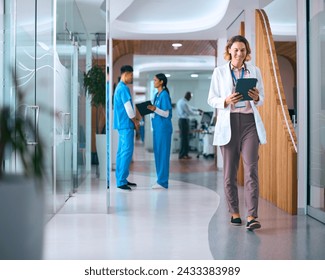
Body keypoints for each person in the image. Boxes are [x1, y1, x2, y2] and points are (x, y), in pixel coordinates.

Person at [207, 35, 267, 230]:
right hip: (229, 122)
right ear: (229, 51)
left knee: (251, 170)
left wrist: (257, 97)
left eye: (242, 50)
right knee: (229, 173)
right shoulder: (220, 72)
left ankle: (252, 216)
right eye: (236, 50)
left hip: (249, 123)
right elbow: (211, 99)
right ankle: (234, 212)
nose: (239, 53)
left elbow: (262, 98)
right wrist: (225, 100)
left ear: (246, 52)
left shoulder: (254, 71)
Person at [113, 65, 140, 191]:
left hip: (122, 125)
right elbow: (129, 108)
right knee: (126, 152)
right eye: (131, 75)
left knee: (121, 152)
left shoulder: (119, 87)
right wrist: (135, 122)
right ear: (126, 74)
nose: (131, 78)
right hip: (126, 125)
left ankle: (121, 178)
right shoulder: (123, 88)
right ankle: (121, 181)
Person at [147, 73, 173, 189]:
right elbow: (156, 112)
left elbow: (166, 113)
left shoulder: (164, 95)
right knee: (157, 154)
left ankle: (163, 182)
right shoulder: (156, 95)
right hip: (157, 129)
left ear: (161, 82)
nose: (154, 82)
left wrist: (155, 109)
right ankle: (160, 180)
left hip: (164, 129)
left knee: (163, 154)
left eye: (155, 80)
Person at [176, 91, 202, 159]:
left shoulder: (181, 101)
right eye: (190, 97)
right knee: (185, 138)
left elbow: (189, 107)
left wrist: (197, 109)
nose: (190, 98)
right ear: (188, 96)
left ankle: (183, 154)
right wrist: (198, 113)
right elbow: (189, 112)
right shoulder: (183, 103)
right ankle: (183, 155)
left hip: (181, 121)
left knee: (184, 138)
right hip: (184, 121)